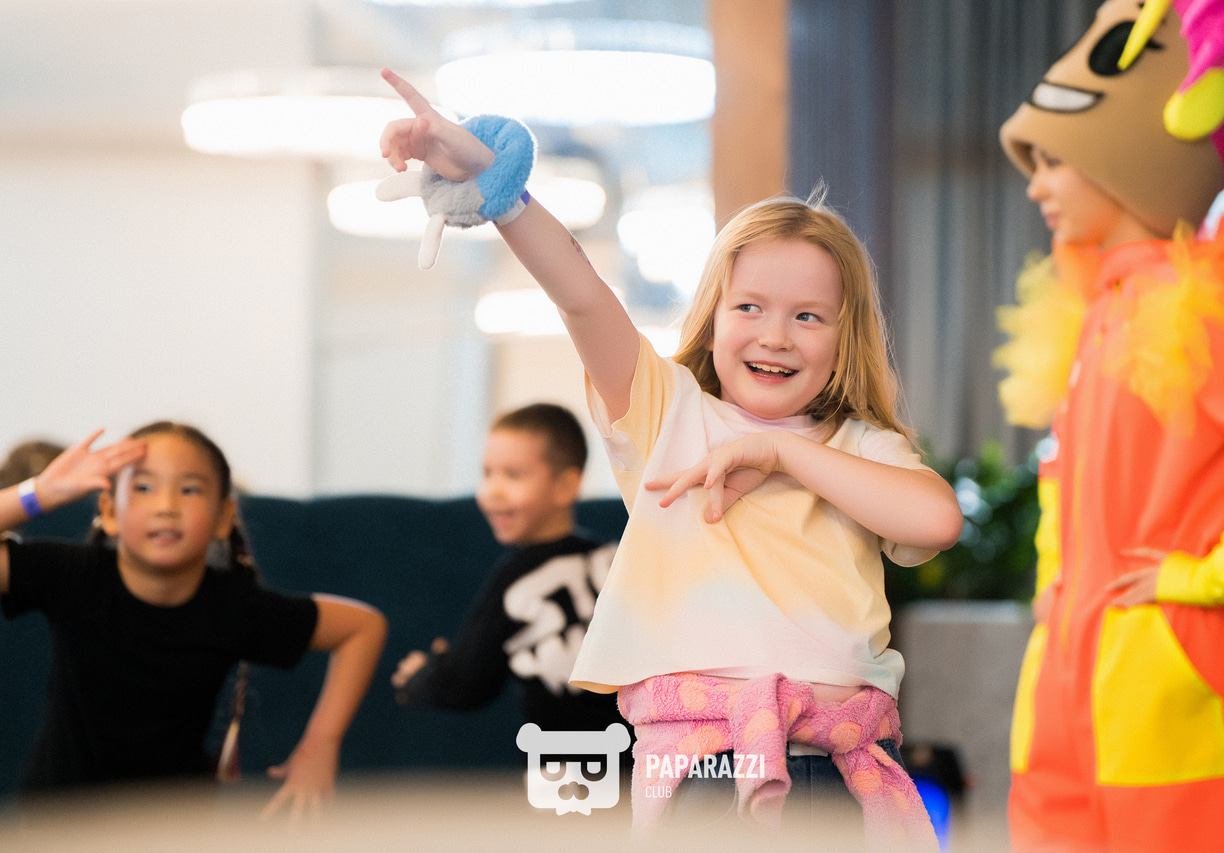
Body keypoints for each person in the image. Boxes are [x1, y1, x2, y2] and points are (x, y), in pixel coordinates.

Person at [377, 69, 963, 849]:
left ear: (842, 336)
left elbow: (936, 519)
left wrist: (783, 451)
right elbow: (582, 296)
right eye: (749, 307)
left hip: (841, 763)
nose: (775, 335)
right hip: (705, 764)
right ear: (713, 318)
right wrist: (499, 187)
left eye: (808, 316)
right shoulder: (667, 411)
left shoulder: (861, 445)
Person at [992, 1, 1224, 850]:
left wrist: (1219, 572)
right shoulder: (1097, 314)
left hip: (1168, 654)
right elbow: (1063, 474)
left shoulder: (1196, 308)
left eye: (1053, 160)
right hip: (1077, 653)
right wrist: (1054, 588)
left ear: (1119, 160)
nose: (1035, 185)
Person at [0, 422, 388, 823]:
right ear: (110, 511)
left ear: (223, 517)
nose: (166, 505)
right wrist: (39, 493)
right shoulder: (73, 576)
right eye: (144, 487)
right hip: (60, 822)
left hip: (174, 826)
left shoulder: (233, 608)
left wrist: (321, 745)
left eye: (189, 490)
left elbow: (362, 628)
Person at [390, 402, 625, 735]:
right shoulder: (616, 556)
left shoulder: (517, 576)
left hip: (561, 760)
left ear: (565, 487)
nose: (493, 491)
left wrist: (420, 679)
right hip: (643, 751)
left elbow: (467, 686)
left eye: (513, 475)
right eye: (487, 473)